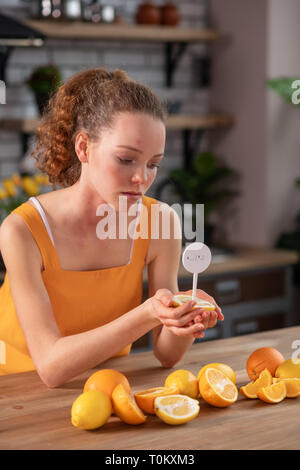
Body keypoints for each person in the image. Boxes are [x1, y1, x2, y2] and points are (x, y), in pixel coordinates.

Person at [0, 68, 223, 387]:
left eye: (153, 164)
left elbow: (167, 356)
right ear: (84, 148)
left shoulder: (159, 223)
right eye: (126, 159)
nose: (142, 178)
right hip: (17, 394)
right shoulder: (23, 230)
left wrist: (183, 319)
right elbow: (50, 368)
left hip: (108, 387)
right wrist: (150, 312)